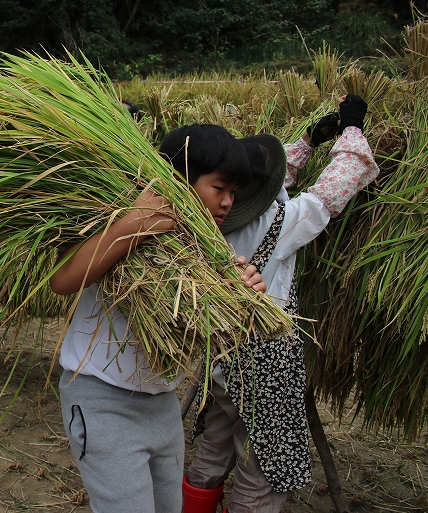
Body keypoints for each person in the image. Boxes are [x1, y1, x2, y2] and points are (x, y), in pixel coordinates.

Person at [49, 124, 267, 513]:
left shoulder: (206, 249)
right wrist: (134, 223)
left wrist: (241, 288)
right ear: (181, 179)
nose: (228, 202)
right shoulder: (122, 218)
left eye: (233, 193)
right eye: (220, 189)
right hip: (102, 400)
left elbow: (216, 330)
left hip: (162, 404)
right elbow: (63, 280)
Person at [183, 95, 378, 513]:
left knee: (215, 448)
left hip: (220, 358)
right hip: (265, 362)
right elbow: (341, 181)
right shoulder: (280, 221)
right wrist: (352, 128)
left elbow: (272, 176)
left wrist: (310, 139)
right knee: (263, 467)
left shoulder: (209, 215)